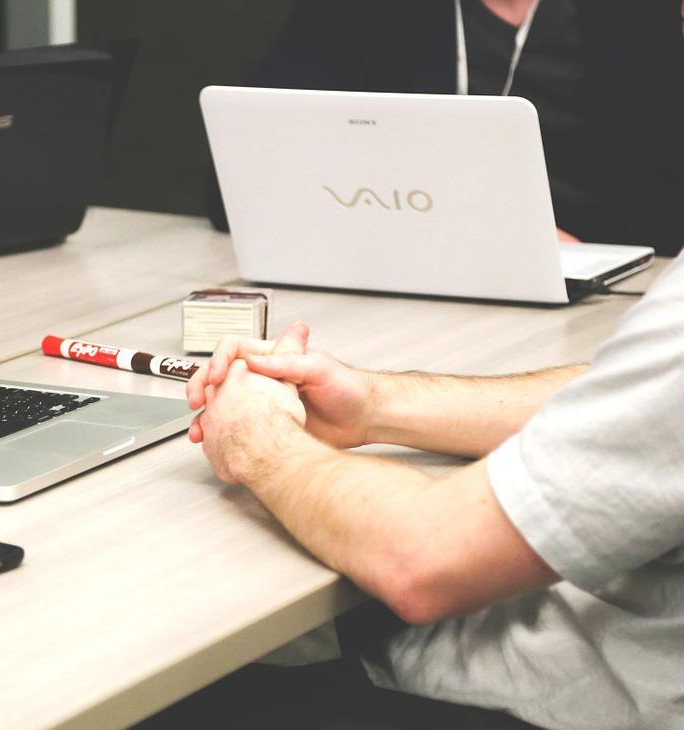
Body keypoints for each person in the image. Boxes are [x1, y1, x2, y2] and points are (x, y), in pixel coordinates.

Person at [157, 252, 684, 729]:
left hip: (569, 698)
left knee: (168, 672)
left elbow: (424, 564)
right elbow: (628, 392)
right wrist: (373, 403)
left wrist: (257, 439)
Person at [207, 0, 684, 256]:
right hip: (408, 268)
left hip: (605, 281)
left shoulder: (641, 17)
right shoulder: (364, 12)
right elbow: (240, 183)